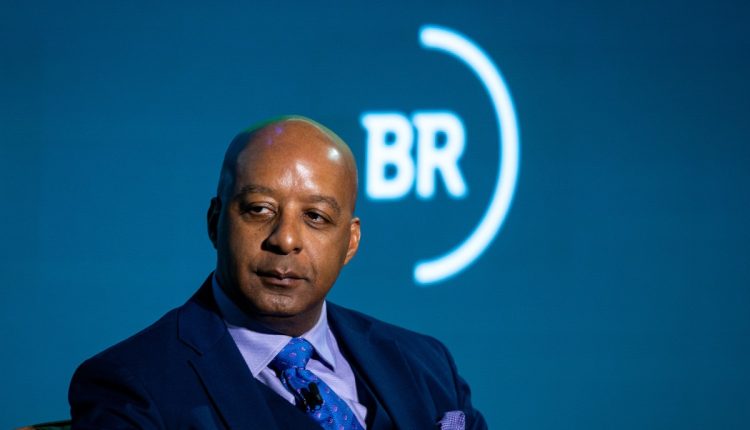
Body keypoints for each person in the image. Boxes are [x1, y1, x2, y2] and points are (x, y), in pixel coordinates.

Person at [68, 116, 487, 430]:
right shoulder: (131, 383)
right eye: (259, 210)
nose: (285, 239)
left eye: (316, 216)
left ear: (351, 241)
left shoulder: (426, 363)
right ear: (215, 222)